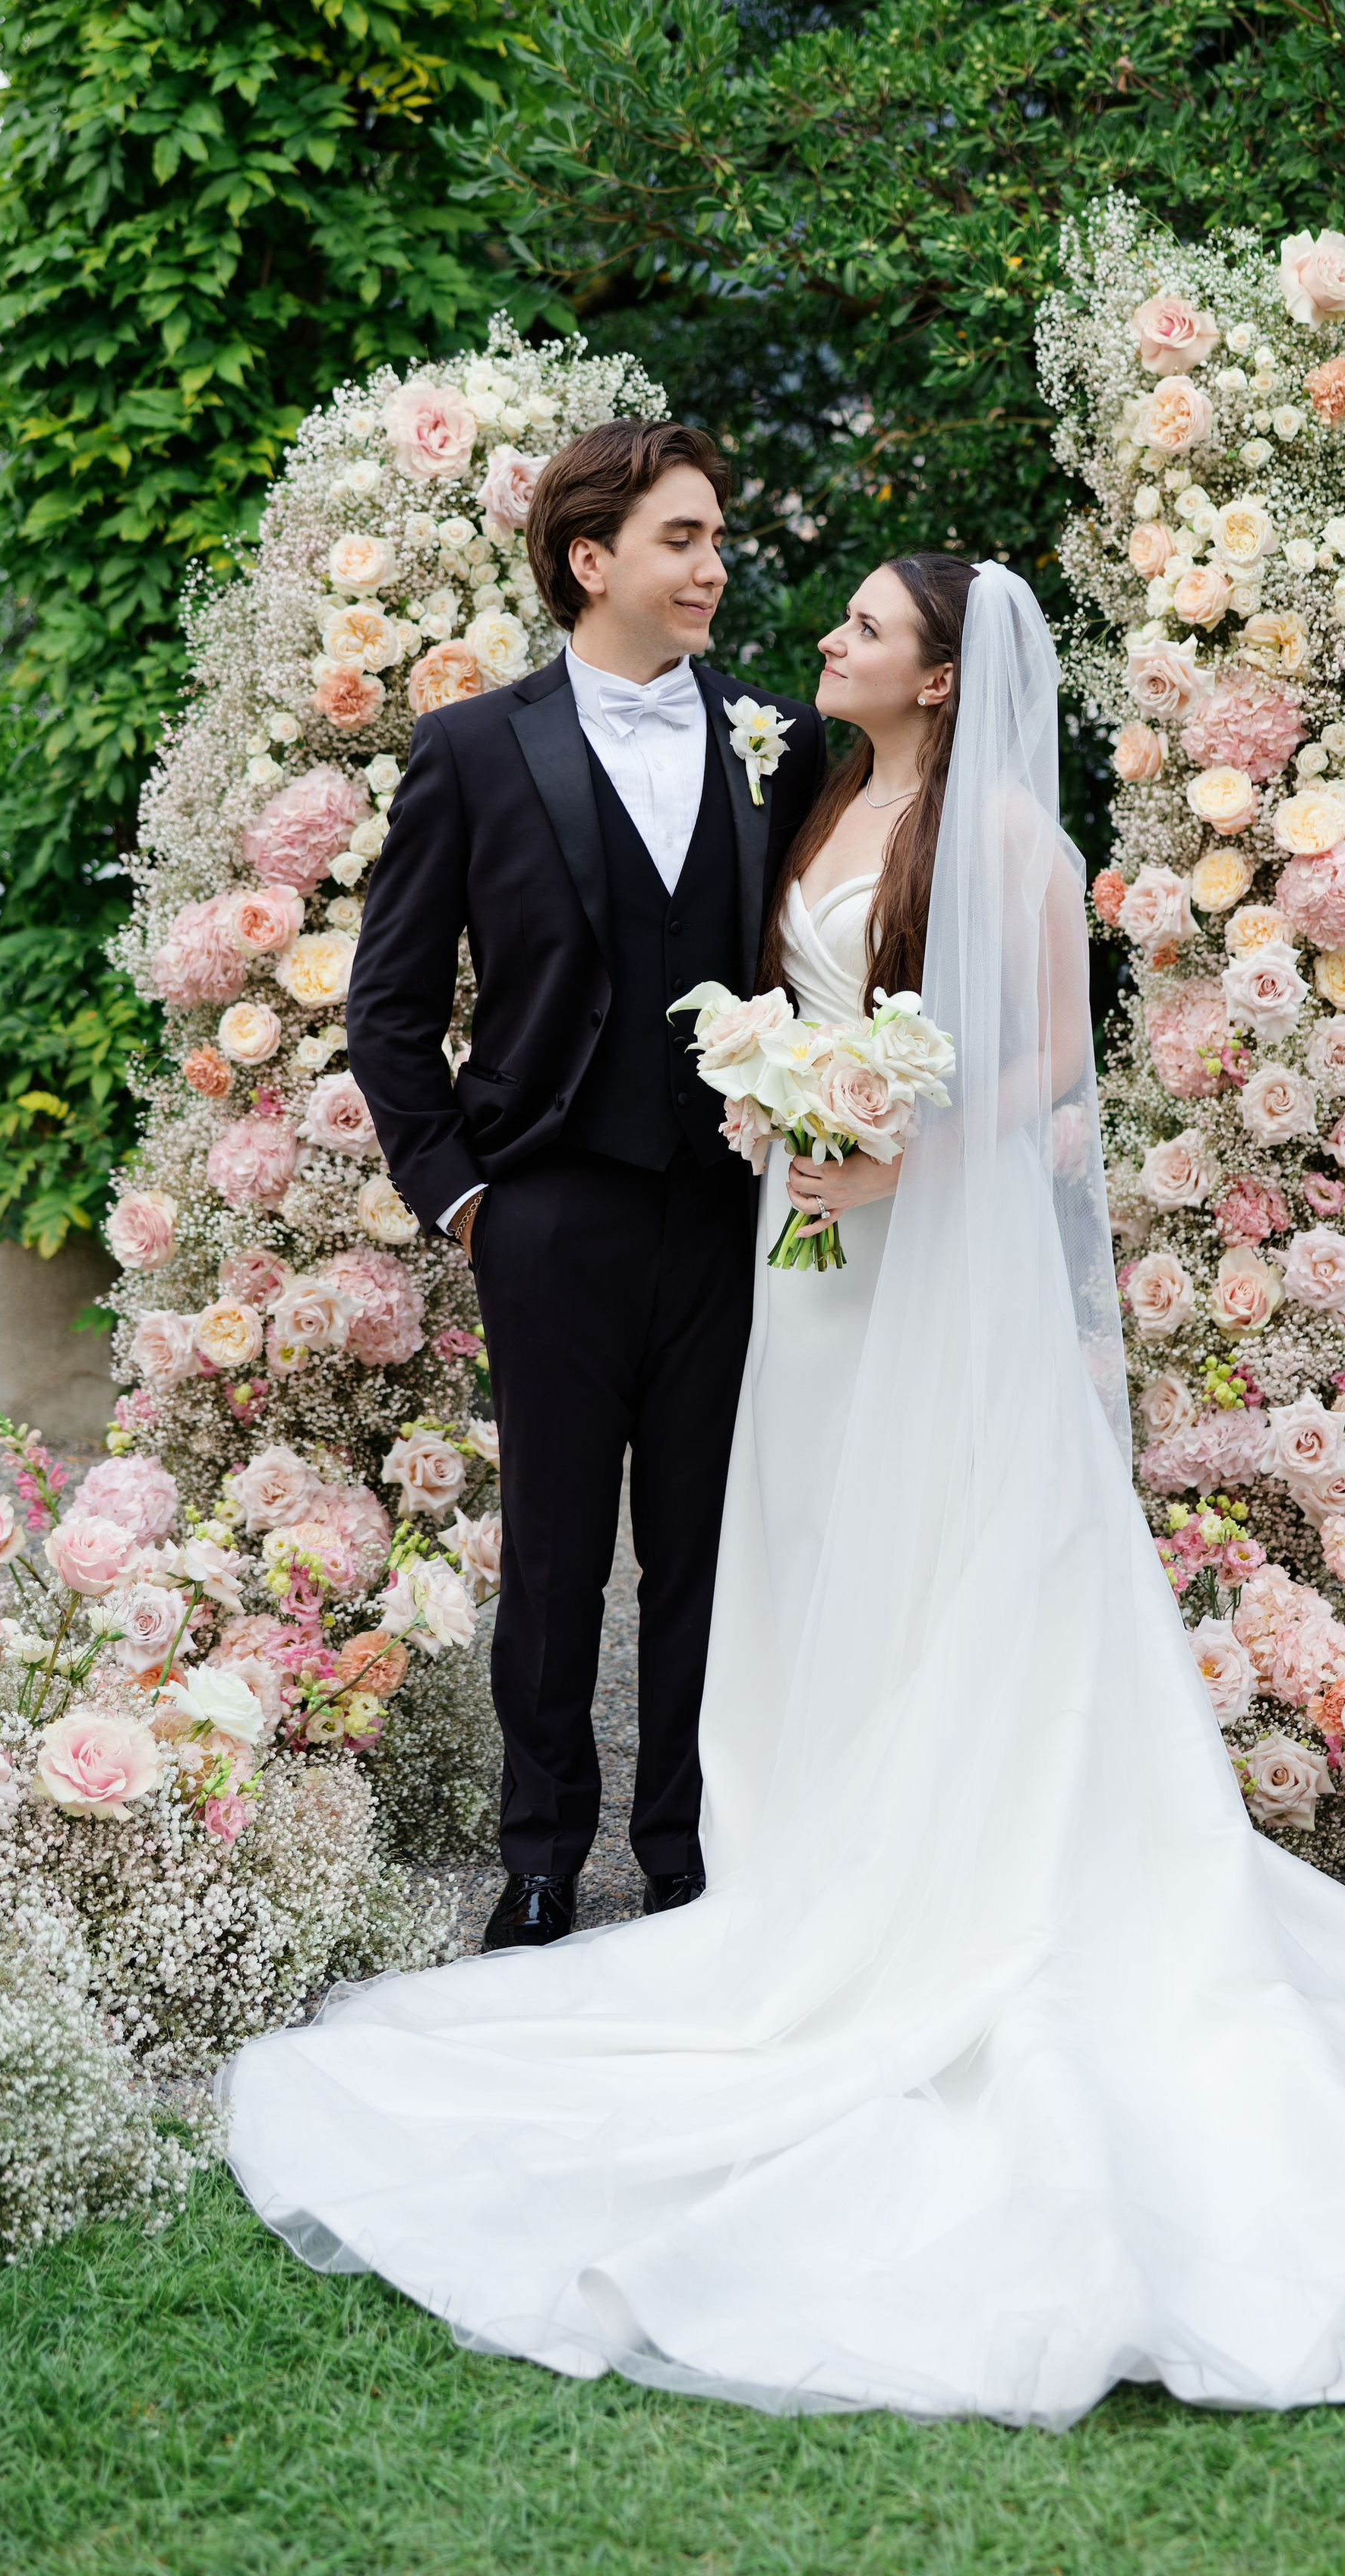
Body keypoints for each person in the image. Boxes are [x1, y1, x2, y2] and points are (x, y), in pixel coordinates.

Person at [230, 558, 1345, 2424]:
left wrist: (899, 1152)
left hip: (912, 1258)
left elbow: (1050, 1059)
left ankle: (922, 1880)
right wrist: (767, 1106)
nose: (820, 642)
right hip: (791, 1266)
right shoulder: (806, 794)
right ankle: (775, 1853)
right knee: (798, 1557)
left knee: (945, 1556)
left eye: (861, 633)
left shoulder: (1003, 842)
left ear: (937, 676)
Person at [345, 418, 824, 1949]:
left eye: (716, 538)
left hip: (732, 1209)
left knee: (708, 1549)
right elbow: (388, 1004)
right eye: (682, 539)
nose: (713, 565)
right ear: (590, 559)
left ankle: (687, 1850)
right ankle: (542, 1857)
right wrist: (461, 1195)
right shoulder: (473, 749)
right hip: (545, 1207)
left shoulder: (777, 736)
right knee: (553, 1555)